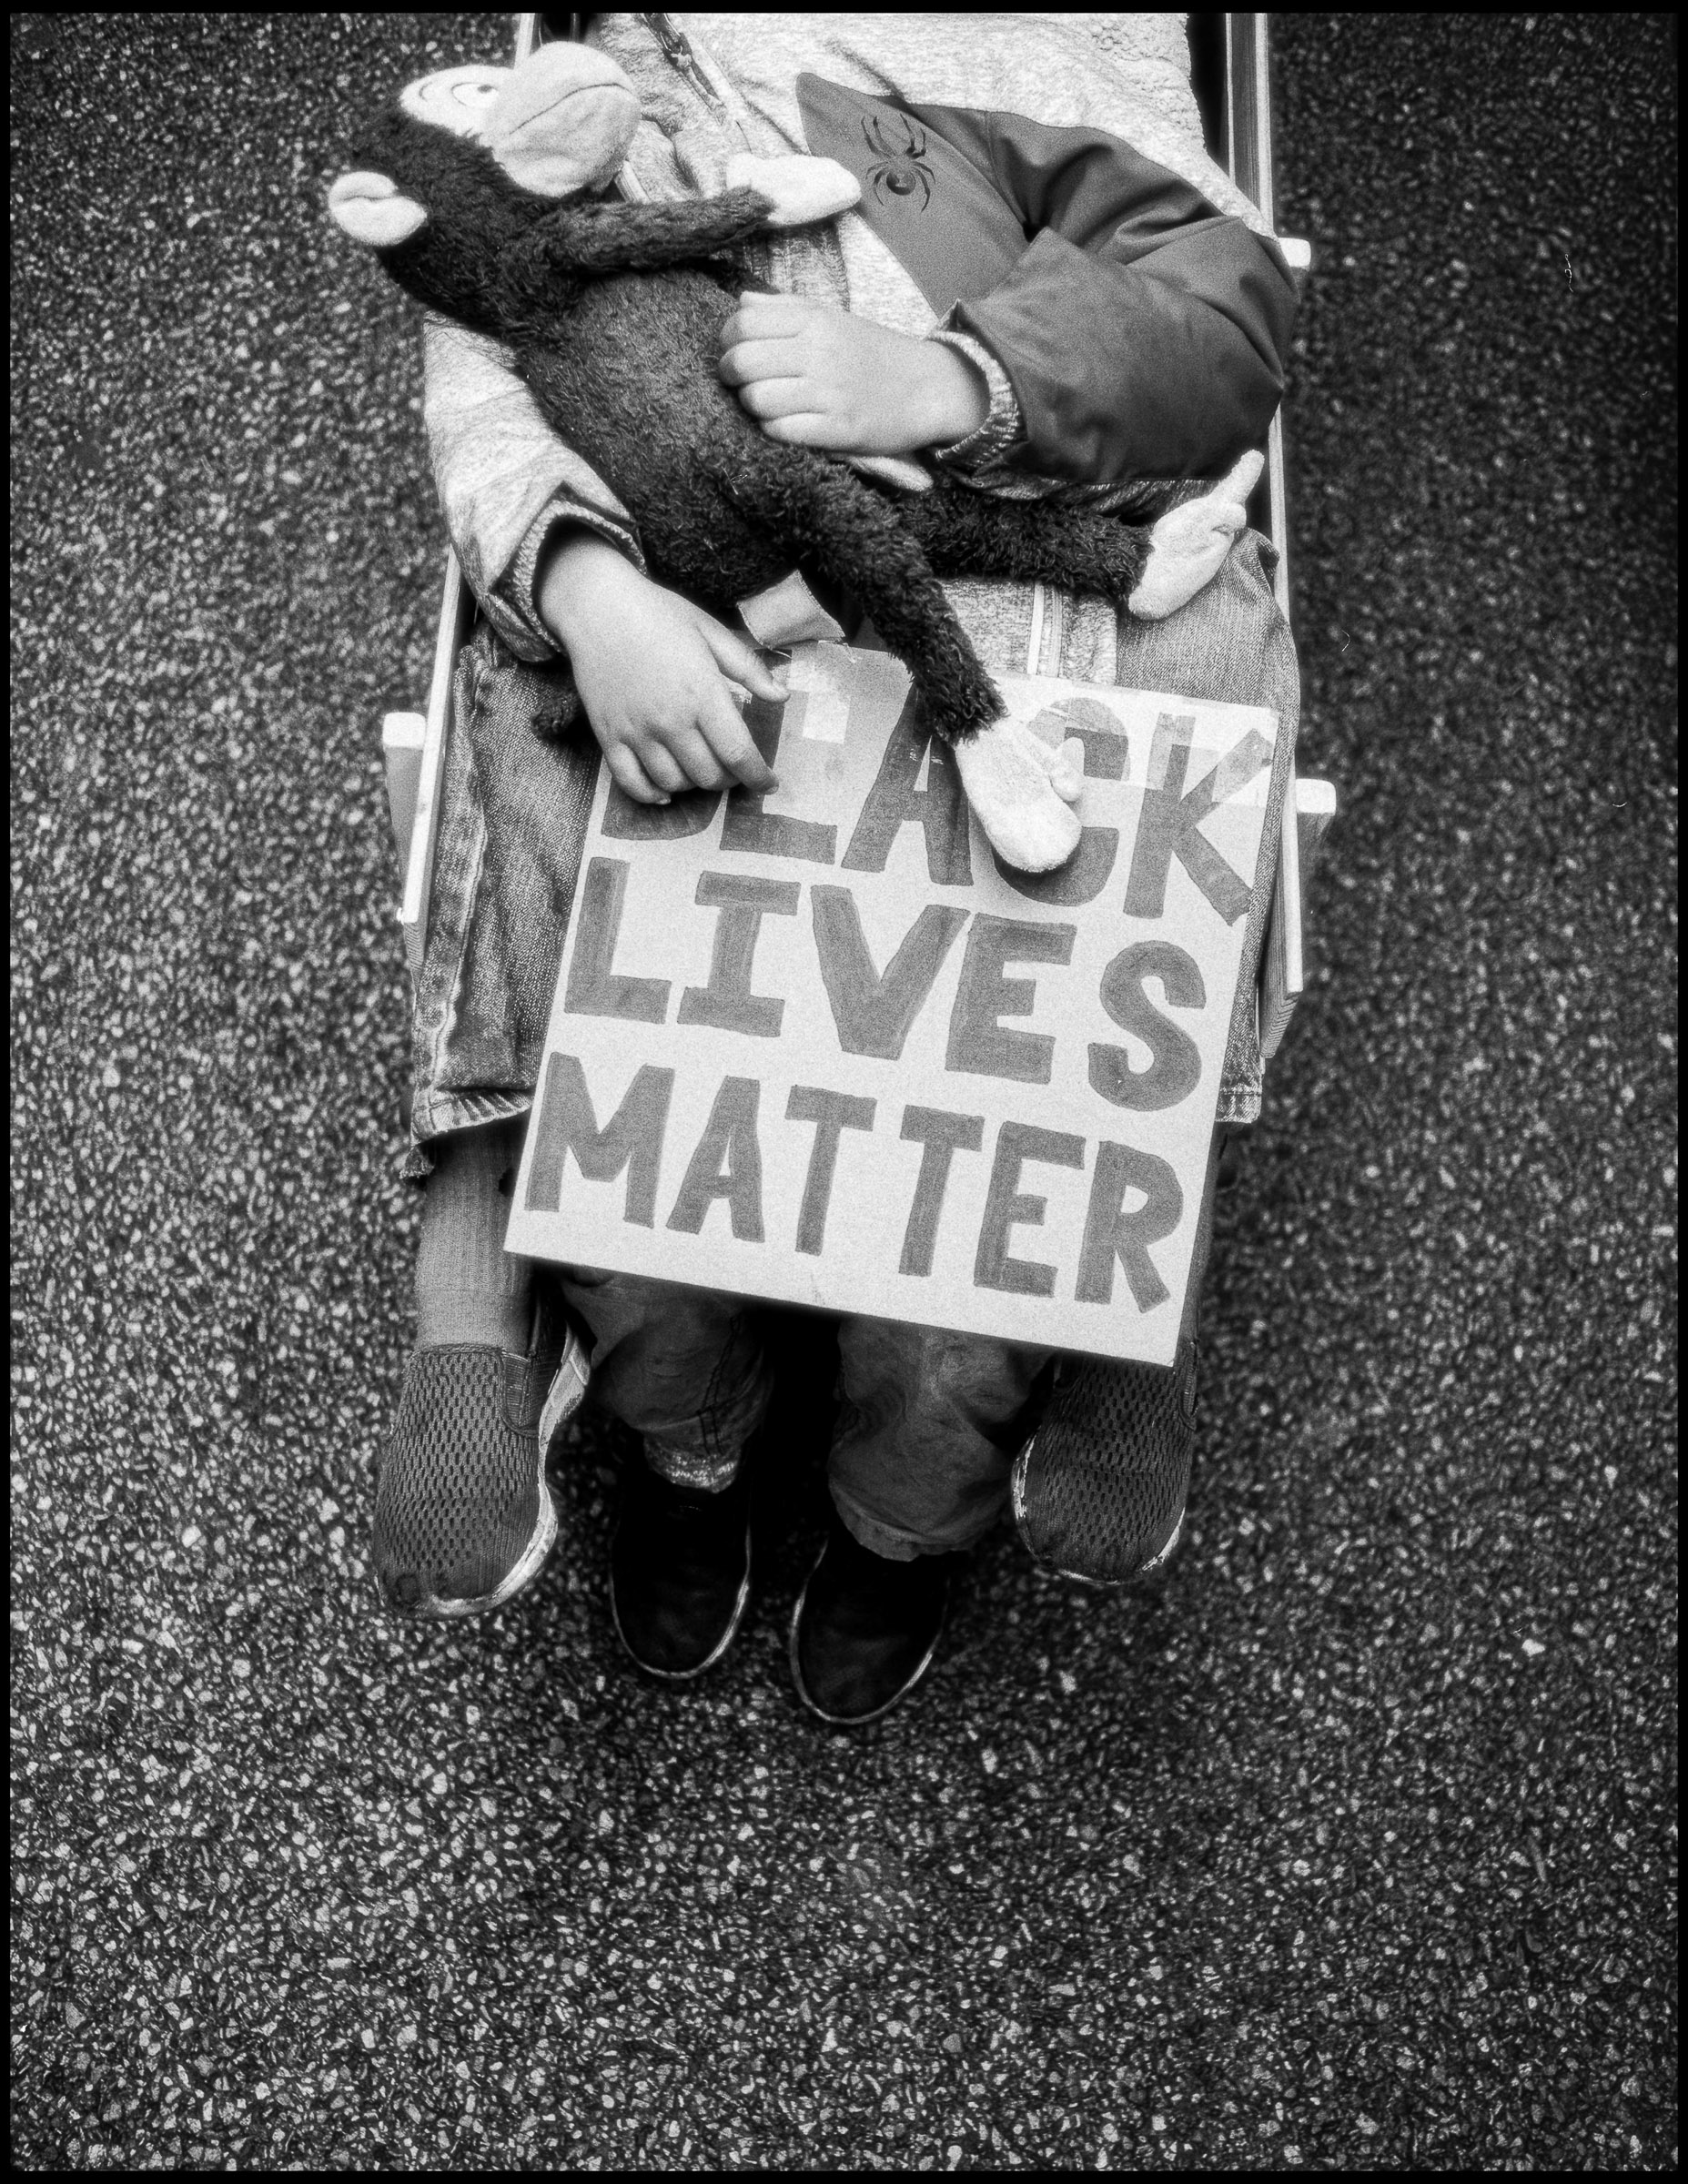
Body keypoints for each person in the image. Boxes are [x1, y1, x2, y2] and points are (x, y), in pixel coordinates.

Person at [373, 13, 1299, 1723]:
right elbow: (491, 319)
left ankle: (920, 1497)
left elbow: (1220, 314)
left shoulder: (1066, 54)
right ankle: (675, 1438)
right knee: (639, 1114)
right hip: (695, 609)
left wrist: (959, 383)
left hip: (1027, 627)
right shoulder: (626, 86)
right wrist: (587, 592)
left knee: (990, 1174)